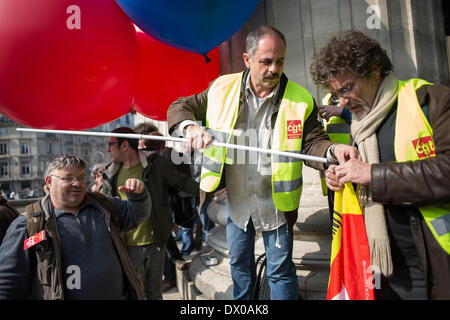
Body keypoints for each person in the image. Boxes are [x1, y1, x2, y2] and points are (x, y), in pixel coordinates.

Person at [167, 25, 358, 300]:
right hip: (235, 203)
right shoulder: (221, 88)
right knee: (239, 267)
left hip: (276, 205)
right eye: (266, 61)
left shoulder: (301, 100)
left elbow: (313, 142)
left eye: (280, 61)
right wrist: (189, 127)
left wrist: (333, 150)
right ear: (247, 59)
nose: (274, 69)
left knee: (280, 272)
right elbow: (179, 106)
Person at [310, 30, 450, 299]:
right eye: (335, 94)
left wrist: (372, 174)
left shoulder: (430, 100)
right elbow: (361, 179)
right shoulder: (362, 123)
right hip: (376, 265)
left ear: (374, 70)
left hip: (428, 266)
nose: (342, 102)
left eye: (347, 89)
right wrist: (339, 178)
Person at [0, 154, 151, 299]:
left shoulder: (104, 206)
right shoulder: (29, 226)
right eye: (68, 178)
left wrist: (139, 195)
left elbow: (137, 215)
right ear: (49, 181)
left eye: (81, 177)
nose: (77, 183)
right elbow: (9, 282)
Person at [102, 127, 199, 300]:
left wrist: (211, 190)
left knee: (154, 293)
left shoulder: (155, 163)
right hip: (128, 246)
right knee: (135, 294)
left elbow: (182, 182)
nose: (108, 149)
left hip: (156, 243)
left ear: (125, 145)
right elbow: (107, 209)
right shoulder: (110, 174)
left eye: (111, 144)